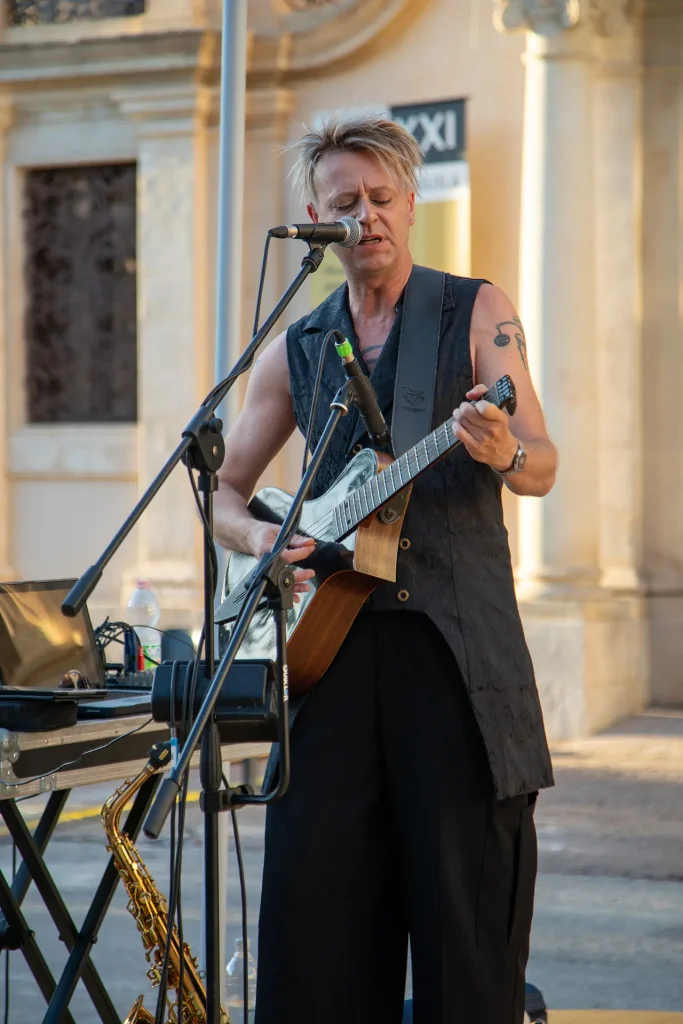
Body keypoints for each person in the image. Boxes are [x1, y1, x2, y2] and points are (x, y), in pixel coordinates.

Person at [214, 115, 557, 1024]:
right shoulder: (301, 343)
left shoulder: (476, 311)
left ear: (410, 203)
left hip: (451, 657)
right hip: (327, 656)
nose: (364, 217)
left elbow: (543, 464)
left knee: (461, 928)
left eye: (378, 198)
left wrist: (497, 453)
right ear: (315, 219)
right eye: (342, 204)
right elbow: (223, 492)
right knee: (316, 926)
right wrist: (259, 541)